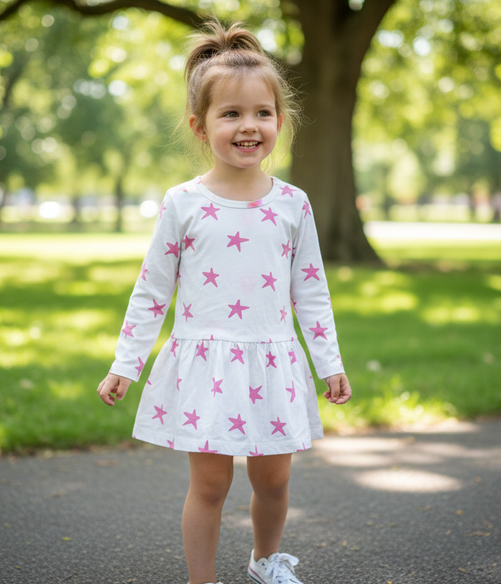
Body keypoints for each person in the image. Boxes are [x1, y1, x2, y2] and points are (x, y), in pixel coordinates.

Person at [96, 19, 352, 584]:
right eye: (231, 114)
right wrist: (126, 362)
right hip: (206, 366)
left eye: (262, 113)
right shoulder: (183, 203)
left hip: (272, 361)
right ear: (200, 124)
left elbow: (310, 290)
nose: (248, 126)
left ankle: (265, 561)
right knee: (209, 485)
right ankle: (201, 579)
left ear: (280, 122)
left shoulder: (293, 204)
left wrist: (328, 361)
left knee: (274, 481)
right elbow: (152, 290)